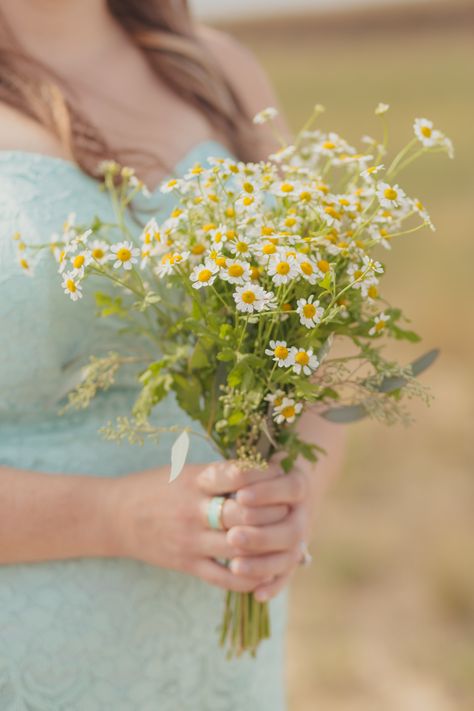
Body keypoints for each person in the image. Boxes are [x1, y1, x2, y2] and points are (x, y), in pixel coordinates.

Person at [0, 1, 344, 709]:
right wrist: (114, 514)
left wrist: (293, 499)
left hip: (219, 650)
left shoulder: (217, 70)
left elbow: (325, 342)